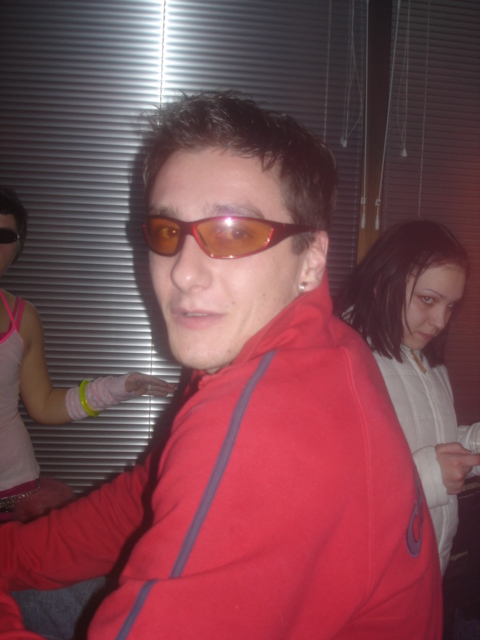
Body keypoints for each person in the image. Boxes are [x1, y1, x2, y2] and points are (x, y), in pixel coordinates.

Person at [0, 92, 442, 639]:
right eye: (167, 231)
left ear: (310, 258)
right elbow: (145, 494)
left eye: (234, 232)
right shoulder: (316, 344)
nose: (183, 273)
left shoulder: (264, 428)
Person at [0, 187, 175, 523]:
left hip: (14, 494)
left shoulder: (22, 318)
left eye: (4, 235)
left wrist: (118, 388)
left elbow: (44, 404)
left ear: (17, 247)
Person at [335, 219, 480, 576]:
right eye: (428, 300)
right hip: (376, 578)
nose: (440, 321)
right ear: (383, 283)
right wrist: (430, 476)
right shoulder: (342, 360)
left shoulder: (424, 358)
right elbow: (331, 492)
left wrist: (473, 444)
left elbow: (430, 442)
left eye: (450, 306)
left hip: (428, 568)